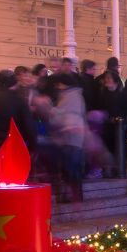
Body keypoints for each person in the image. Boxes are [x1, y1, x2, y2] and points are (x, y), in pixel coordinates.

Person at [0, 69, 35, 182]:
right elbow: (28, 126)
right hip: (14, 146)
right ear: (14, 83)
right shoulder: (18, 101)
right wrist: (32, 146)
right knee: (15, 181)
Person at [49, 73, 86, 202]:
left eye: (58, 84)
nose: (57, 87)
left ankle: (72, 195)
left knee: (70, 166)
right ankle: (76, 195)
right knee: (73, 165)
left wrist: (51, 110)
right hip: (75, 136)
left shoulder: (69, 96)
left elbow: (63, 115)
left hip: (70, 135)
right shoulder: (75, 95)